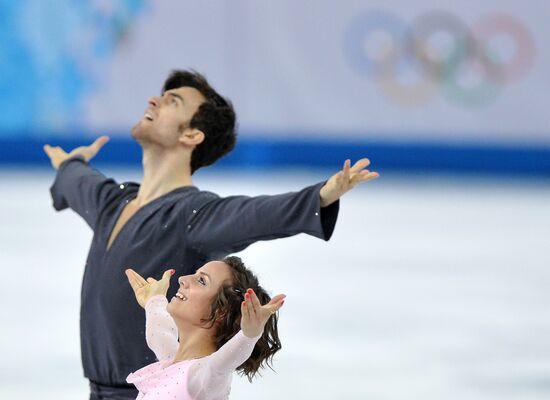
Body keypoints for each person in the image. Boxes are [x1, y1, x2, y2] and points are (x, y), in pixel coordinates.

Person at [43, 70, 379, 399]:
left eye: (171, 101)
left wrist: (320, 196)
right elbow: (76, 180)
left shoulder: (192, 215)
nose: (153, 101)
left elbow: (254, 216)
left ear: (192, 135)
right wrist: (69, 163)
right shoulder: (113, 201)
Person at [125, 256, 284, 400]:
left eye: (201, 280)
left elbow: (224, 363)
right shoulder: (175, 363)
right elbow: (160, 336)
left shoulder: (205, 377)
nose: (182, 278)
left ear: (221, 311)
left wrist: (249, 335)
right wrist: (154, 300)